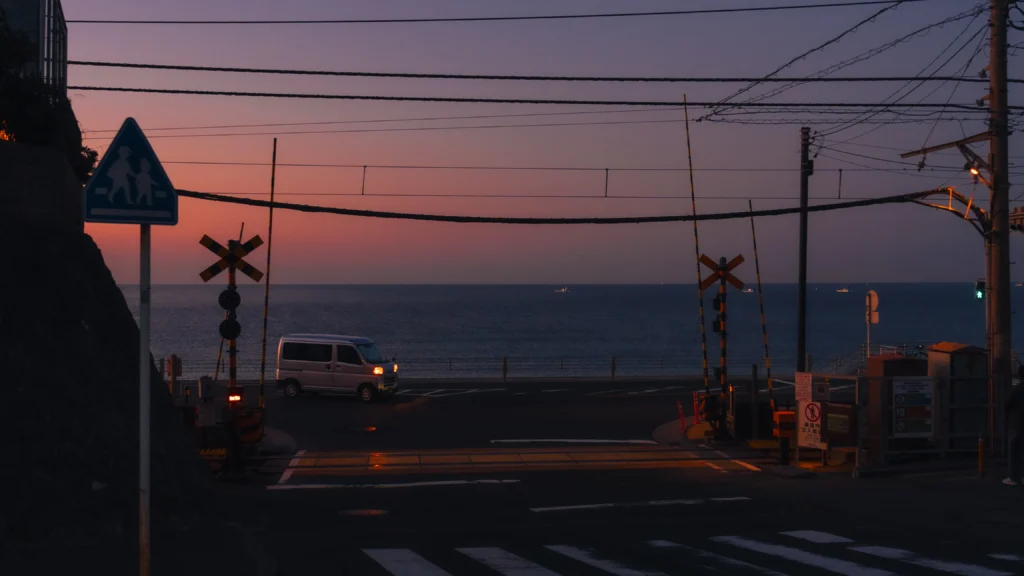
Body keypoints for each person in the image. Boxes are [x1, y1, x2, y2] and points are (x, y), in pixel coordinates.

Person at [1005, 370, 1024, 486]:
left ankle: (1013, 478)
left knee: (1014, 452)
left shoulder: (1016, 389)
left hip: (1016, 424)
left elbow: (1006, 404)